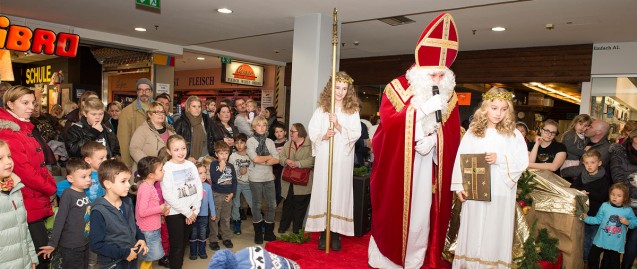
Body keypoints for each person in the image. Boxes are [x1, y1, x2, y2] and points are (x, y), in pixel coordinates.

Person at [368, 12, 462, 268]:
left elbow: (453, 134)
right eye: (433, 75)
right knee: (395, 214)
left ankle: (415, 259)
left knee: (421, 216)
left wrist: (435, 144)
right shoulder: (396, 88)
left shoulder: (449, 96)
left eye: (442, 76)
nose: (438, 81)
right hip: (399, 167)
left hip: (428, 169)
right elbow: (388, 127)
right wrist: (421, 111)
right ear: (421, 71)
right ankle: (387, 260)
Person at [450, 87, 529, 268]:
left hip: (501, 191)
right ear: (485, 107)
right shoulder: (473, 131)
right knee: (473, 228)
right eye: (494, 108)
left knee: (495, 230)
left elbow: (522, 162)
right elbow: (461, 158)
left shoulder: (513, 134)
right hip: (475, 190)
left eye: (503, 109)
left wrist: (499, 159)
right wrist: (459, 186)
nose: (498, 113)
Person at [0, 85, 57, 269]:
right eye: (25, 103)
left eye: (33, 102)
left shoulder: (24, 127)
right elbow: (25, 171)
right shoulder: (10, 132)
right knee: (39, 257)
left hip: (33, 198)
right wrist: (51, 188)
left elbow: (38, 165)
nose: (31, 107)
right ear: (9, 104)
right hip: (25, 200)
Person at [306, 71, 361, 251]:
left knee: (339, 192)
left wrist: (337, 125)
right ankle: (324, 231)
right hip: (325, 157)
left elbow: (356, 134)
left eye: (344, 88)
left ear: (349, 90)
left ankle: (336, 233)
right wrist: (323, 136)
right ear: (331, 88)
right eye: (338, 88)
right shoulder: (322, 109)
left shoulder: (352, 110)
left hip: (342, 159)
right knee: (324, 189)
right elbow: (312, 129)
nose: (340, 92)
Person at [90, 159, 148, 269]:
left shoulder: (127, 201)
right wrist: (124, 253)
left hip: (132, 256)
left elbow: (133, 224)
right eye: (123, 181)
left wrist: (141, 237)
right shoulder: (98, 211)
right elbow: (96, 245)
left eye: (128, 180)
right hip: (113, 263)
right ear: (108, 184)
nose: (128, 185)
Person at [38, 159, 92, 269]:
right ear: (70, 178)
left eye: (89, 176)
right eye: (84, 177)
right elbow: (60, 220)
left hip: (84, 243)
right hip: (71, 245)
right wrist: (53, 243)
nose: (88, 180)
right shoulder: (68, 194)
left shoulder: (83, 193)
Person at [160, 135, 202, 269]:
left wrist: (195, 210)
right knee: (177, 247)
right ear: (169, 151)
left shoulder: (190, 165)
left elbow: (198, 188)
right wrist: (188, 212)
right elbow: (168, 195)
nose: (181, 152)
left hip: (191, 212)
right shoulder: (167, 168)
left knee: (183, 244)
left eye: (183, 148)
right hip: (175, 213)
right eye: (176, 149)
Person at [0, 139, 39, 269]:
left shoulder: (15, 187)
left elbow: (24, 228)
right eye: (0, 158)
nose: (8, 161)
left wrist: (31, 258)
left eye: (9, 156)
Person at [581, 183, 637, 269]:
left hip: (615, 243)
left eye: (619, 196)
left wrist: (628, 222)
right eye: (613, 194)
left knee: (614, 264)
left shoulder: (628, 210)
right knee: (592, 258)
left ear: (625, 198)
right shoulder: (604, 206)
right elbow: (597, 220)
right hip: (601, 240)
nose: (614, 197)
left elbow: (635, 222)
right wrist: (586, 218)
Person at [570, 150, 610, 262]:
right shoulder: (582, 175)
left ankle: (591, 261)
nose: (589, 165)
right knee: (582, 238)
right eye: (586, 163)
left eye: (592, 162)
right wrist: (580, 190)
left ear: (599, 163)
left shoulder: (604, 179)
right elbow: (572, 187)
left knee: (591, 239)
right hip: (582, 212)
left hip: (596, 215)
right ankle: (585, 260)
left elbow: (603, 197)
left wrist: (587, 190)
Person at [247, 116, 279, 244]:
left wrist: (264, 159)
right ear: (254, 127)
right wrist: (268, 158)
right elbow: (255, 159)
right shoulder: (250, 141)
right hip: (255, 178)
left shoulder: (270, 141)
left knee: (272, 205)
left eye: (264, 125)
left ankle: (269, 233)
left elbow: (277, 159)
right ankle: (258, 233)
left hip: (268, 177)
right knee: (257, 205)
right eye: (258, 125)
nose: (261, 128)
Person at [278, 123, 314, 234]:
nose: (290, 133)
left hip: (303, 182)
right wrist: (286, 161)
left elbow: (312, 161)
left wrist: (298, 163)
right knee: (287, 204)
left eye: (292, 131)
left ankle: (296, 229)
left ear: (300, 132)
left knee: (300, 206)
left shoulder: (311, 145)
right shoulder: (288, 144)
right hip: (288, 181)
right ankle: (283, 227)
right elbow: (281, 158)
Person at [609, 129, 637, 269]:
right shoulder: (619, 152)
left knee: (634, 239)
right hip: (622, 201)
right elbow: (617, 176)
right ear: (635, 139)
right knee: (613, 235)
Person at [135, 156, 170, 269]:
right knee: (148, 257)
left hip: (153, 227)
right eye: (160, 169)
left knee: (149, 257)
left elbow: (151, 207)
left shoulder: (150, 186)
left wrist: (161, 213)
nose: (163, 171)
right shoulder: (145, 188)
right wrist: (160, 208)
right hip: (148, 230)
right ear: (151, 174)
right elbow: (142, 211)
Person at [129, 101, 176, 173]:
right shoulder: (142, 129)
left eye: (162, 112)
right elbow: (134, 149)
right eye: (157, 112)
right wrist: (148, 164)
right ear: (149, 114)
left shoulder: (171, 130)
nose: (161, 115)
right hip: (147, 172)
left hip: (167, 171)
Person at [119, 78, 155, 167]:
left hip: (157, 161)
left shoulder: (158, 109)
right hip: (137, 161)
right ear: (137, 92)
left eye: (147, 90)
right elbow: (123, 141)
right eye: (141, 90)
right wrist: (127, 165)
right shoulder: (127, 112)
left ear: (151, 92)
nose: (144, 93)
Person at [208, 141, 237, 250]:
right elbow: (215, 180)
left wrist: (232, 193)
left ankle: (226, 238)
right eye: (221, 153)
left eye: (226, 153)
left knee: (226, 218)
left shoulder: (231, 166)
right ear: (216, 154)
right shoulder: (214, 165)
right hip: (217, 195)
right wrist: (221, 167)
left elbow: (234, 181)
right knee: (215, 218)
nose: (224, 156)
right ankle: (213, 239)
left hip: (227, 196)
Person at [174, 96, 213, 163]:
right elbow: (174, 143)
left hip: (205, 158)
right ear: (188, 108)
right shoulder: (181, 122)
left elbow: (213, 136)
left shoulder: (206, 119)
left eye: (199, 106)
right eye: (194, 106)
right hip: (187, 159)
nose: (197, 109)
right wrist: (186, 157)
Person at [190, 162, 216, 260]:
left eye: (205, 172)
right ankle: (193, 253)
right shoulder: (191, 186)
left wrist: (213, 213)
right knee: (193, 234)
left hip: (204, 216)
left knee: (202, 234)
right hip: (193, 216)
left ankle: (202, 251)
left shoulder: (208, 187)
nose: (204, 175)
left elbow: (211, 201)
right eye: (200, 173)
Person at [229, 133, 253, 235]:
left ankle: (259, 223)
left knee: (253, 203)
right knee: (236, 204)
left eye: (242, 143)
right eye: (237, 143)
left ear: (246, 143)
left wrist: (247, 169)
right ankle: (236, 222)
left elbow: (256, 166)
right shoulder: (233, 156)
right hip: (237, 183)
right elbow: (230, 171)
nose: (239, 145)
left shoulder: (250, 155)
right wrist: (239, 172)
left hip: (248, 183)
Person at [560, 114, 592, 179]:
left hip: (576, 161)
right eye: (580, 124)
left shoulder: (583, 136)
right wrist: (584, 152)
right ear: (575, 123)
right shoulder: (570, 134)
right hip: (568, 161)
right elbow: (570, 148)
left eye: (585, 126)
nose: (582, 127)